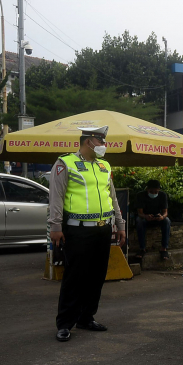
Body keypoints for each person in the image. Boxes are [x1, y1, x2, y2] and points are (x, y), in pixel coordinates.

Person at [49, 126, 126, 342]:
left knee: (97, 276)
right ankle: (65, 323)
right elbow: (56, 197)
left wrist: (120, 225)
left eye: (103, 141)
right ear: (87, 141)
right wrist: (55, 227)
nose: (103, 145)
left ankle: (86, 317)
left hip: (103, 229)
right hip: (77, 230)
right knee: (74, 276)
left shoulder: (104, 166)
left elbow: (112, 197)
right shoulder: (65, 163)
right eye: (100, 141)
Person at [135, 179, 170, 261]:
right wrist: (146, 216)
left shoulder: (162, 195)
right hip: (145, 218)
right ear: (147, 189)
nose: (154, 194)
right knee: (139, 222)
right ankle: (142, 248)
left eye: (156, 192)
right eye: (151, 191)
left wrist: (161, 217)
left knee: (167, 221)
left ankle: (164, 248)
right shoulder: (140, 196)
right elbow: (140, 213)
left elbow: (165, 213)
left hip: (158, 218)